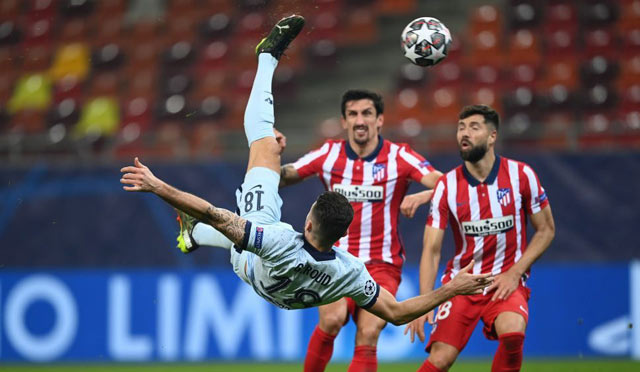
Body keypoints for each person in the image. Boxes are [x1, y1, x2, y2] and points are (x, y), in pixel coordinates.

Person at [120, 13, 493, 338]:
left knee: (262, 145)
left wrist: (157, 186)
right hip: (280, 293)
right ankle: (193, 237)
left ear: (309, 224)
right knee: (229, 215)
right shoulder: (350, 271)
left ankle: (267, 57)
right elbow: (397, 313)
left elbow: (212, 212)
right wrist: (453, 288)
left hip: (256, 262)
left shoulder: (278, 240)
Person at [184, 75, 443, 372]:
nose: (360, 120)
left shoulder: (400, 157)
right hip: (334, 260)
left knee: (369, 333)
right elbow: (285, 175)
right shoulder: (329, 153)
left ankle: (199, 232)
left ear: (380, 120)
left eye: (367, 114)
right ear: (344, 121)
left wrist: (423, 196)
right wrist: (272, 154)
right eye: (353, 114)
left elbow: (447, 183)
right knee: (331, 321)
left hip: (382, 263)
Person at [404, 105, 556, 372]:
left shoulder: (522, 175)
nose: (465, 133)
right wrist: (425, 299)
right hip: (462, 284)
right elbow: (431, 249)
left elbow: (546, 230)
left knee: (513, 333)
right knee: (440, 359)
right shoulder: (447, 186)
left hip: (506, 279)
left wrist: (515, 272)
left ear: (492, 136)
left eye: (474, 127)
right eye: (461, 128)